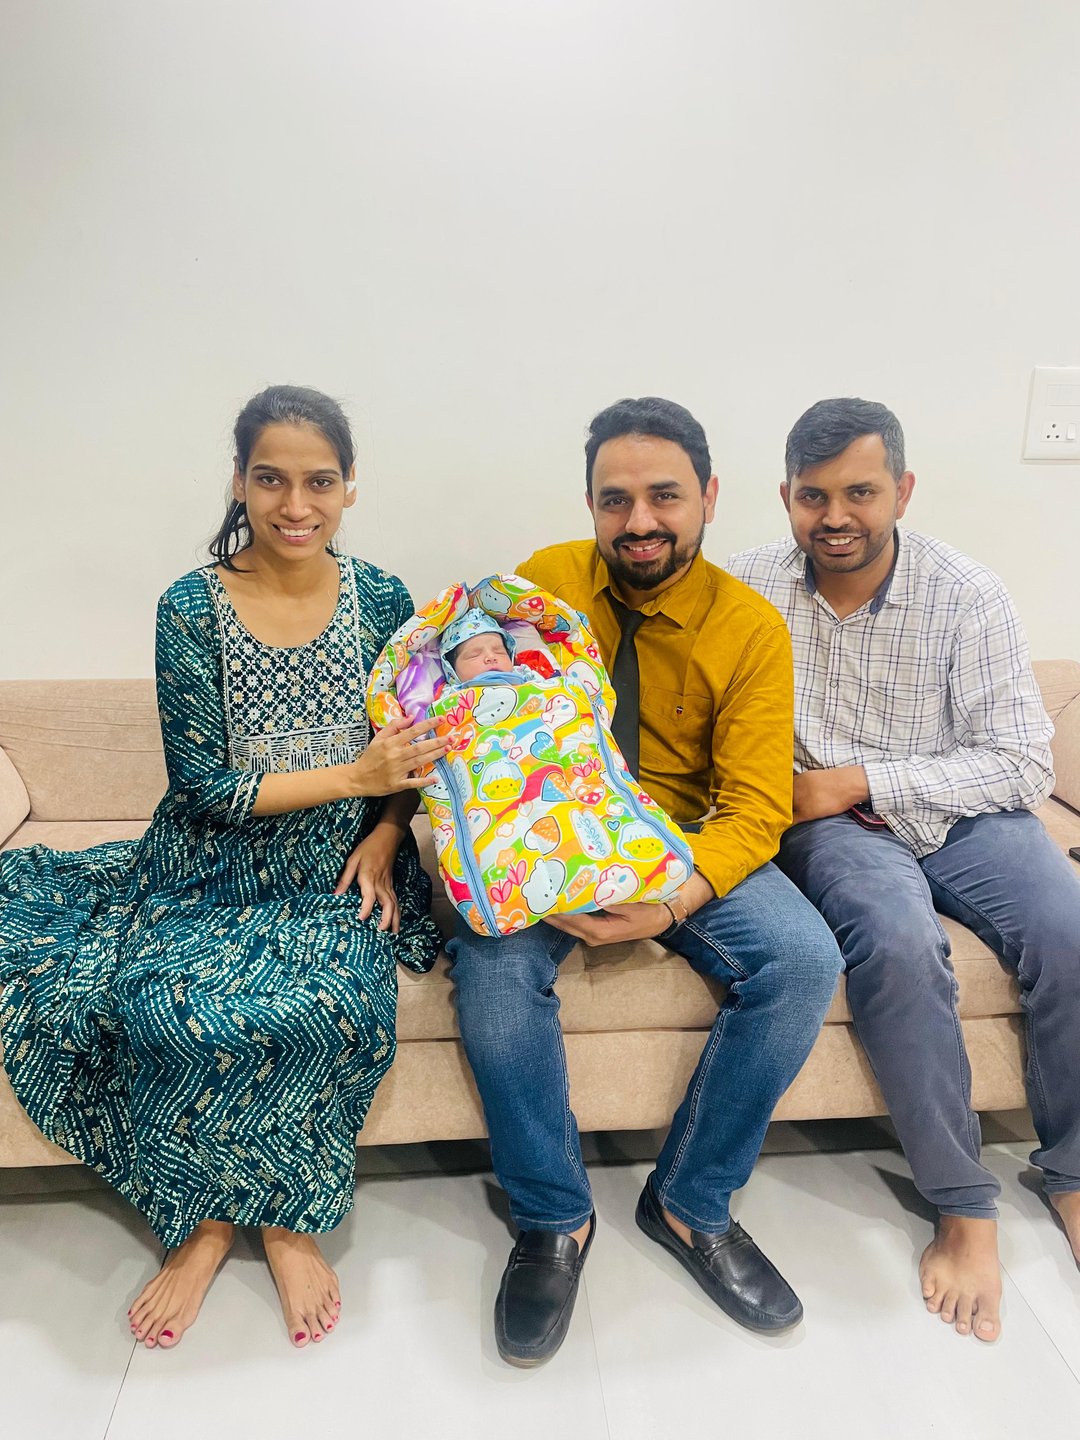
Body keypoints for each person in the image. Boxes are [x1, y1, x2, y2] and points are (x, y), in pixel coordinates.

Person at [0, 385, 447, 1350]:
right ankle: (201, 1225)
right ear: (239, 481)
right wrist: (357, 775)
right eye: (271, 478)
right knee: (156, 1004)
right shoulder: (189, 607)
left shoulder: (384, 600)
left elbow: (410, 754)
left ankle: (286, 1224)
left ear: (351, 486)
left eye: (319, 481)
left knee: (332, 1003)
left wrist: (385, 827)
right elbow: (204, 786)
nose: (296, 504)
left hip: (336, 868)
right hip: (206, 868)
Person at [446, 396, 844, 1366]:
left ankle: (689, 1201)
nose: (640, 522)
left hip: (682, 837)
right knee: (491, 967)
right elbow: (464, 683)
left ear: (709, 496)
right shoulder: (542, 584)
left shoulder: (749, 628)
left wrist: (671, 903)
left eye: (665, 496)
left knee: (803, 959)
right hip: (549, 825)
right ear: (590, 504)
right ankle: (554, 1218)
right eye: (614, 500)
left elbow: (756, 807)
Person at [726, 396, 1080, 1344]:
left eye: (861, 492)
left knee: (1071, 930)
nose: (836, 516)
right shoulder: (745, 587)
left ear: (903, 490)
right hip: (830, 828)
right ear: (786, 497)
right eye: (814, 496)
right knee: (897, 942)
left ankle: (1076, 1174)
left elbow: (1022, 761)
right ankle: (963, 1204)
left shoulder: (967, 592)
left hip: (961, 811)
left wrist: (860, 778)